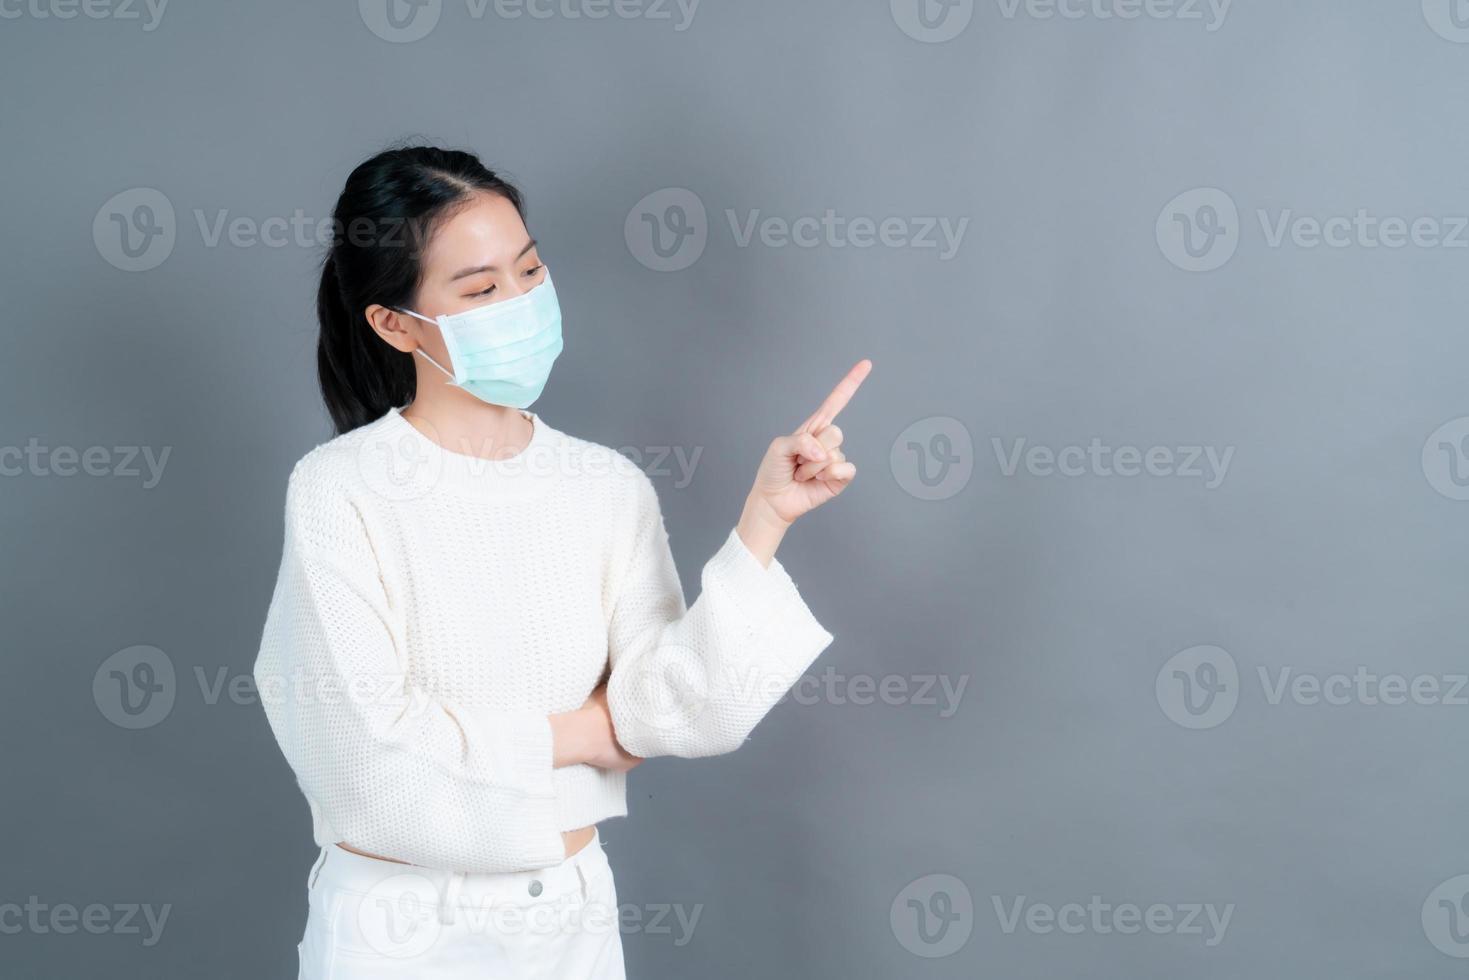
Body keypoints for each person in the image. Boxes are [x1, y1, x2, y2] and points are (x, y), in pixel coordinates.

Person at [252, 144, 871, 979]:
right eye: (479, 290)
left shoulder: (604, 487)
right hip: (398, 930)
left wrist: (764, 520)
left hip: (566, 921)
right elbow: (364, 759)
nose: (519, 303)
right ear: (394, 323)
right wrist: (586, 729)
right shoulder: (341, 491)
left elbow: (674, 713)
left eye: (530, 271)